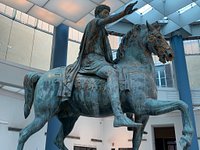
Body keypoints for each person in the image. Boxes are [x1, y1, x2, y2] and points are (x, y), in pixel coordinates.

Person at [64, 1, 142, 127]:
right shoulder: (94, 23)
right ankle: (118, 116)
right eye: (105, 13)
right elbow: (107, 21)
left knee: (122, 72)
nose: (107, 16)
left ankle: (128, 112)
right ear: (98, 14)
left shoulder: (102, 31)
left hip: (101, 60)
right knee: (111, 72)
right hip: (92, 60)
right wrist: (123, 13)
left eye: (108, 14)